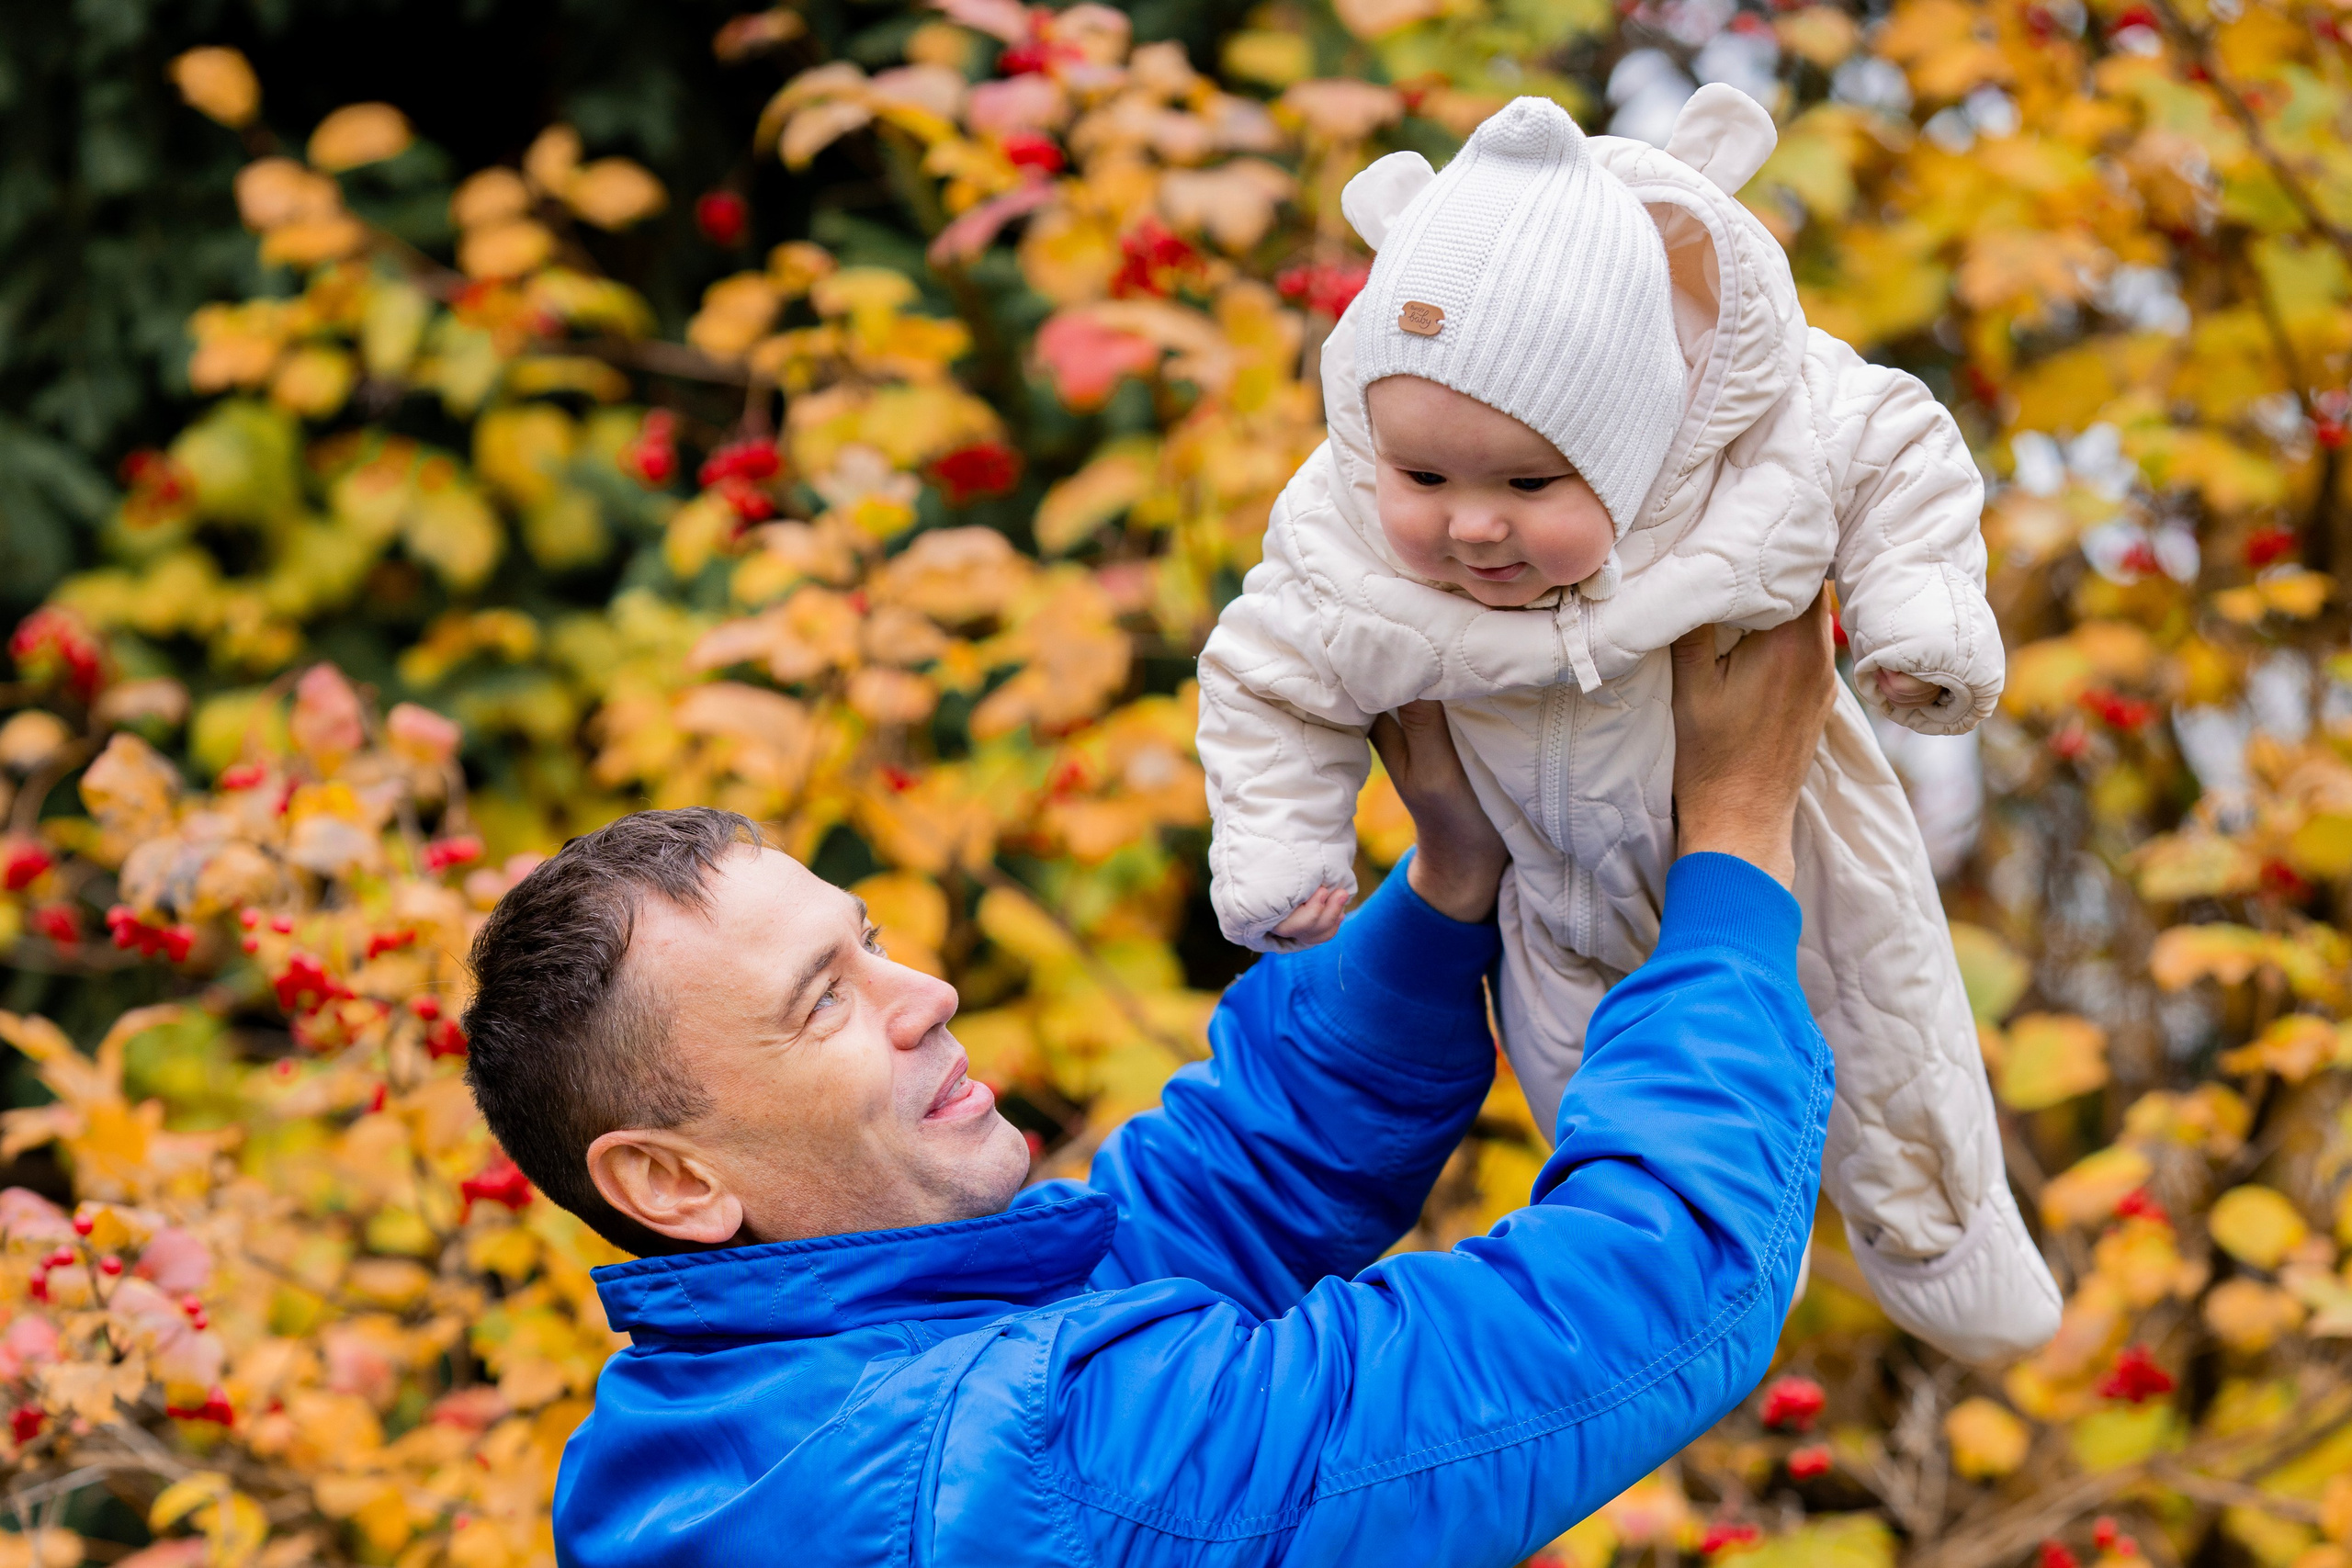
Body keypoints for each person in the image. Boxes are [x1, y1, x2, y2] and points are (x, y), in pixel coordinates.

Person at [461, 598, 1840, 1567]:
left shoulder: (722, 1423)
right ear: (670, 1181)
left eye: (868, 942)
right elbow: (1640, 1292)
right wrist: (1735, 841)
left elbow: (1216, 1202)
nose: (926, 994)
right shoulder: (1021, 1476)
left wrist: (1444, 885)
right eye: (823, 1001)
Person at [1193, 87, 2060, 1365]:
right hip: (1548, 892)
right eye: (1423, 477)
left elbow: (1897, 447)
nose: (1471, 525)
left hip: (1795, 832)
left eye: (1528, 483)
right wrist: (1283, 849)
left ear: (1640, 437)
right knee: (1594, 1108)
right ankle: (1703, 1303)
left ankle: (1947, 1241)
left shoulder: (1753, 439)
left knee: (1887, 1021)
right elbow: (1263, 673)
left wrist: (1918, 619)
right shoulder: (1341, 532)